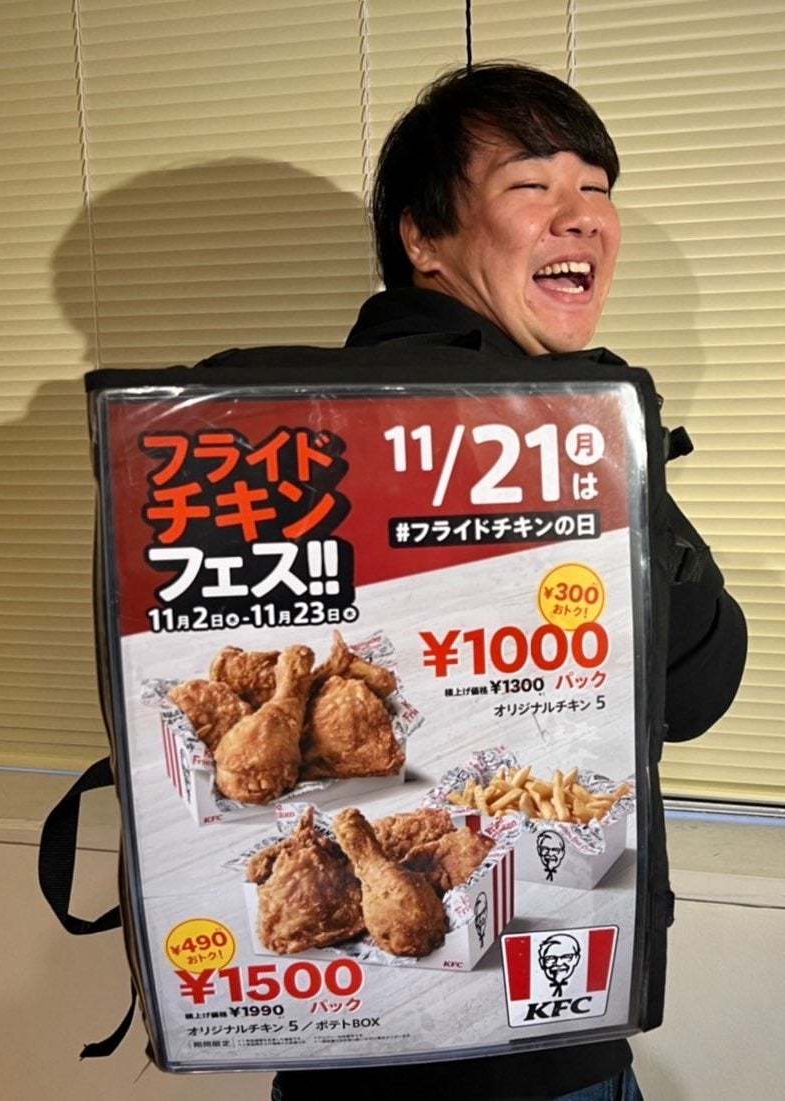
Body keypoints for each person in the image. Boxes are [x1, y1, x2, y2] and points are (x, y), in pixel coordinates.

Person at [271, 63, 746, 1101]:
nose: (582, 217)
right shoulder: (529, 430)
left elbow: (688, 688)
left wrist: (618, 451)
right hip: (541, 1046)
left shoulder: (285, 435)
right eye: (532, 184)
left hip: (353, 1040)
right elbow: (696, 692)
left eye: (597, 188)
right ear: (423, 237)